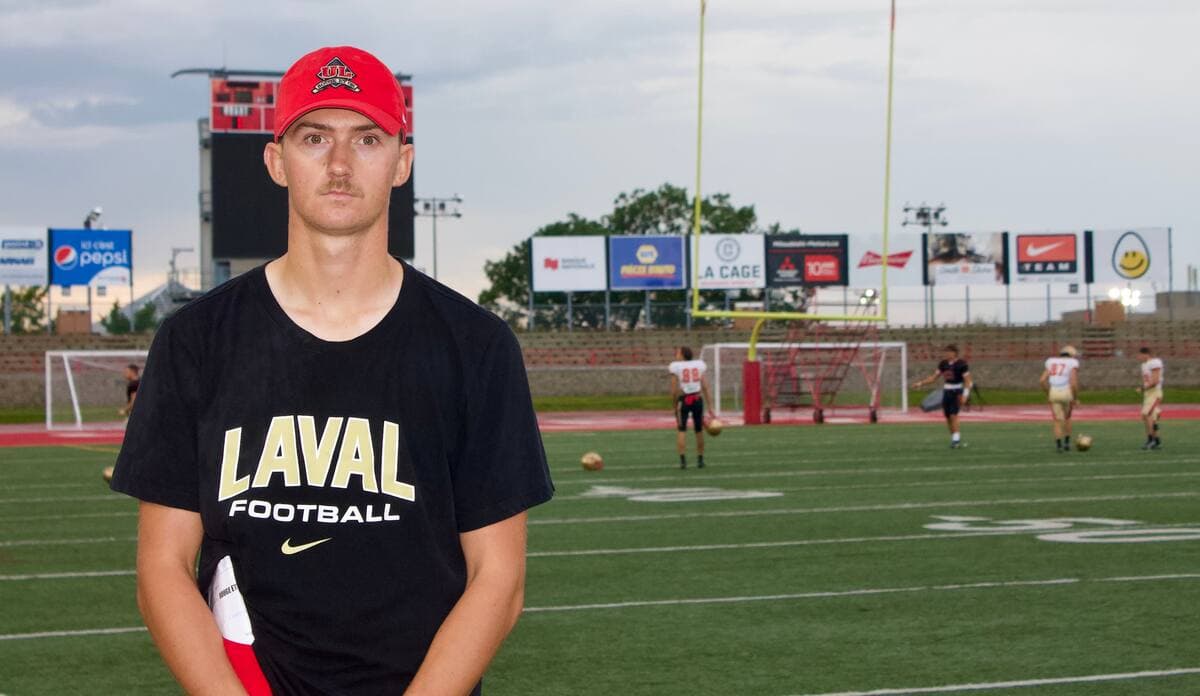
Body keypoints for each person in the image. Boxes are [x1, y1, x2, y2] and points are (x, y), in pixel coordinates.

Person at [109, 45, 553, 696]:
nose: (340, 164)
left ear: (402, 161)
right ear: (276, 159)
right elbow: (162, 567)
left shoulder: (475, 346)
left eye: (367, 139)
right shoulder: (196, 342)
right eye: (314, 137)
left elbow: (500, 580)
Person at [912, 344, 972, 448]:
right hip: (947, 391)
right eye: (946, 352)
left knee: (954, 415)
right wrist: (920, 383)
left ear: (954, 353)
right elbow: (933, 378)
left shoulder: (962, 364)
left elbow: (968, 381)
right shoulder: (943, 364)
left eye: (949, 352)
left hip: (957, 391)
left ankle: (956, 440)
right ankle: (954, 437)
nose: (946, 354)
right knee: (948, 417)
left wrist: (965, 395)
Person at [668, 346, 714, 469]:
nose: (676, 354)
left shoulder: (675, 366)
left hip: (685, 400)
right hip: (697, 399)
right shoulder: (699, 365)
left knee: (682, 430)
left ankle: (683, 461)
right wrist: (710, 406)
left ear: (682, 354)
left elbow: (674, 390)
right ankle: (700, 460)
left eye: (678, 352)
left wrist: (674, 405)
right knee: (698, 430)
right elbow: (705, 386)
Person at [1039, 345, 1080, 452]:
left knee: (1057, 420)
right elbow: (1074, 383)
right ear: (1071, 355)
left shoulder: (1051, 362)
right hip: (1066, 391)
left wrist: (1048, 393)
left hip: (1054, 391)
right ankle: (1066, 443)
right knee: (1067, 418)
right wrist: (1075, 398)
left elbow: (1042, 380)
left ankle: (1058, 446)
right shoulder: (1072, 363)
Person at [1137, 346, 1164, 450]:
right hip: (1148, 394)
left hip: (1154, 393)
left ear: (1146, 354)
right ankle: (1155, 440)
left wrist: (1143, 388)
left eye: (1139, 355)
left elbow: (1155, 380)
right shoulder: (1144, 365)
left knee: (1148, 414)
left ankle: (1152, 440)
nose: (1138, 357)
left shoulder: (1154, 362)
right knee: (1147, 416)